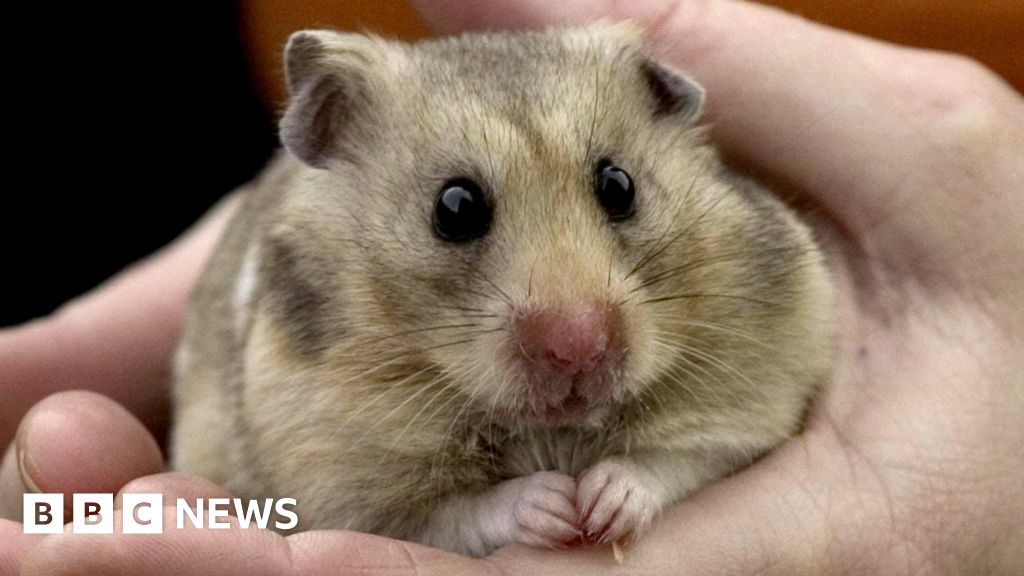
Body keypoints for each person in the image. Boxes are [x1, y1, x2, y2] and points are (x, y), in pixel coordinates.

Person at [2, 0, 1022, 573]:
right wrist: (475, 519)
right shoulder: (317, 310)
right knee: (83, 515)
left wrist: (660, 477)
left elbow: (768, 388)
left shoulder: (743, 261)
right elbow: (318, 503)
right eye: (460, 215)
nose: (579, 333)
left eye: (615, 190)